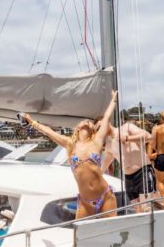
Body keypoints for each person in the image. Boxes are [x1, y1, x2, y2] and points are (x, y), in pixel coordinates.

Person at [24, 91, 118, 219]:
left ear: (93, 128)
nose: (86, 121)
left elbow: (106, 117)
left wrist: (113, 100)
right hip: (85, 202)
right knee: (80, 235)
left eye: (89, 121)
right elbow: (49, 132)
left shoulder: (97, 141)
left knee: (111, 232)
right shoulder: (70, 145)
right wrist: (32, 122)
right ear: (78, 127)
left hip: (105, 196)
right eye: (83, 121)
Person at [118, 115, 156, 211]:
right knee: (137, 208)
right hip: (128, 177)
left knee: (145, 207)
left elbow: (147, 136)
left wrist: (126, 138)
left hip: (142, 171)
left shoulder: (131, 133)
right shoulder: (116, 138)